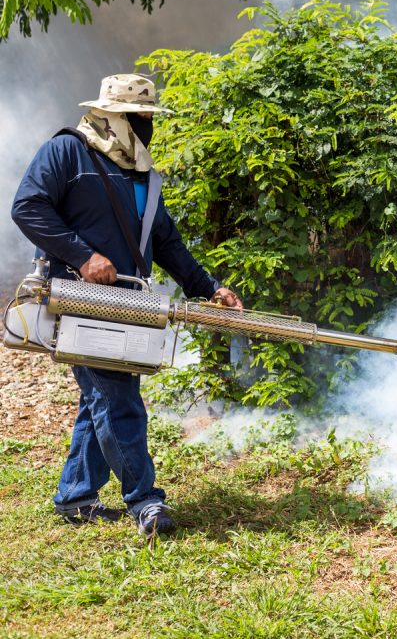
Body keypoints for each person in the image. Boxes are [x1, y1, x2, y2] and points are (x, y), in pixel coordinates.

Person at [10, 73, 242, 537]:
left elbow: (166, 241)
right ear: (112, 115)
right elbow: (28, 207)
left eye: (149, 117)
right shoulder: (67, 152)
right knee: (119, 402)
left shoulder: (141, 171)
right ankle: (146, 502)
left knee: (101, 397)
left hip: (127, 302)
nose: (147, 125)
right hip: (79, 298)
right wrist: (83, 255)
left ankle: (76, 496)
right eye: (139, 117)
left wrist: (209, 287)